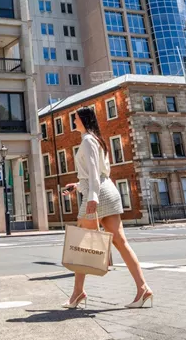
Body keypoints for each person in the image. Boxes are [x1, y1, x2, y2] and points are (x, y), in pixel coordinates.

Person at [62, 106, 153, 309]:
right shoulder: (96, 139)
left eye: (75, 118)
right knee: (121, 242)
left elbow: (94, 172)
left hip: (98, 195)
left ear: (83, 120)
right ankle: (143, 288)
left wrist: (92, 197)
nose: (73, 122)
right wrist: (77, 186)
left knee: (81, 245)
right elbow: (98, 174)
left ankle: (77, 293)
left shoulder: (87, 140)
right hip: (108, 191)